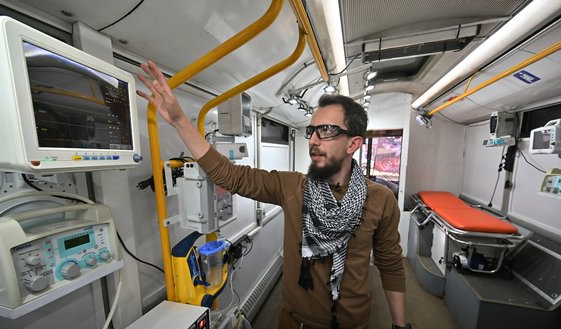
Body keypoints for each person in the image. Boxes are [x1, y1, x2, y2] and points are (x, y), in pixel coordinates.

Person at [136, 60, 410, 329]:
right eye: (312, 130)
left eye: (326, 130)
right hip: (295, 321)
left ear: (354, 143)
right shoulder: (293, 187)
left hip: (352, 323)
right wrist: (179, 121)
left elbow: (390, 265)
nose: (313, 140)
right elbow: (230, 176)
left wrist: (400, 326)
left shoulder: (380, 199)